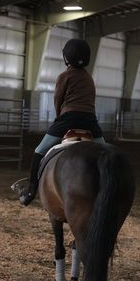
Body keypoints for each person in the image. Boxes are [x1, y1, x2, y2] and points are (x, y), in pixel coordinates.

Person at [18, 38, 105, 206]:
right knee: (105, 151)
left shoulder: (64, 76)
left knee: (39, 151)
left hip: (68, 119)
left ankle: (30, 191)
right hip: (89, 121)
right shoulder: (89, 78)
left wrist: (59, 119)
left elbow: (58, 99)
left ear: (67, 58)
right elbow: (91, 101)